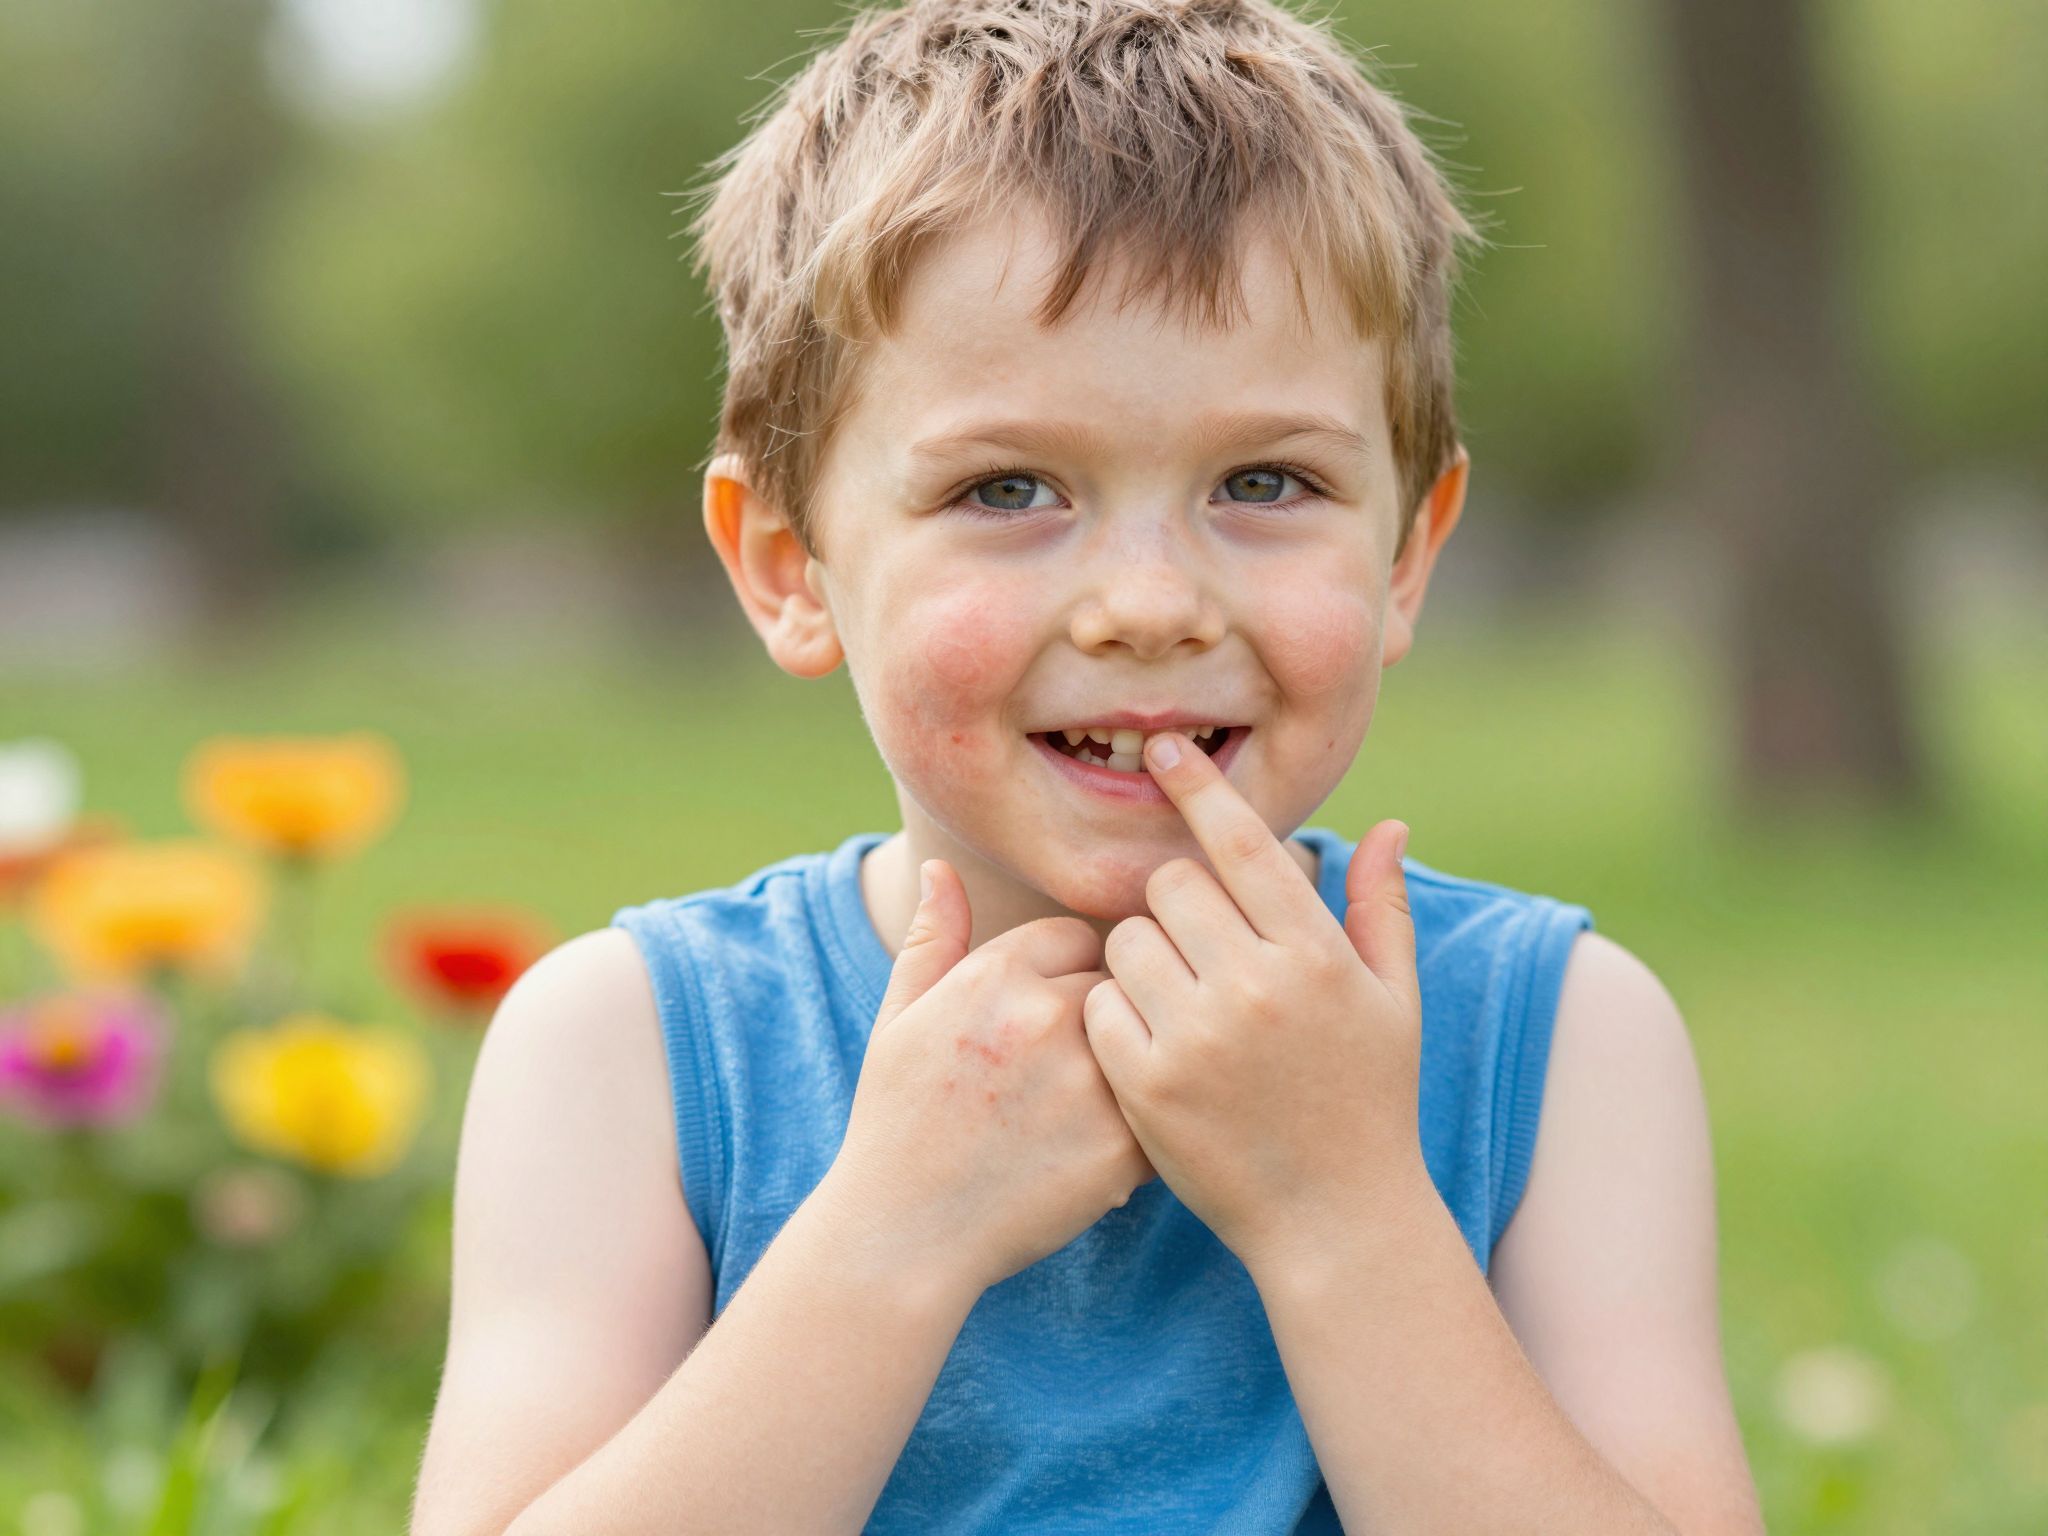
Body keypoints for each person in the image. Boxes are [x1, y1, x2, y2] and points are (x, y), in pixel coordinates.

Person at [411, 2, 1766, 1531]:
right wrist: (899, 1228)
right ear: (790, 563)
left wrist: (1342, 1208)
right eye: (1010, 489)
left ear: (1407, 554)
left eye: (1267, 482)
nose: (1150, 605)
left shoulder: (1561, 1040)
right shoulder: (635, 1049)